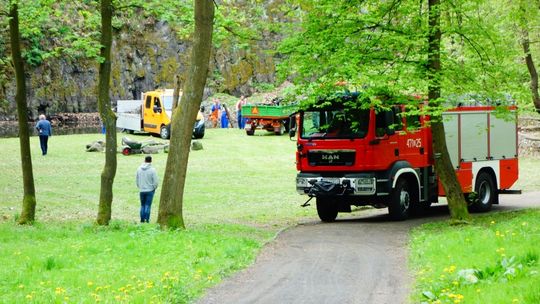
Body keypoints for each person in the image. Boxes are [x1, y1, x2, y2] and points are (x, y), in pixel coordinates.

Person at [136, 156, 159, 223]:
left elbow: (137, 180)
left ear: (144, 160)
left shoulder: (139, 169)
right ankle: (147, 219)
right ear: (151, 161)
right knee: (148, 205)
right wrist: (154, 187)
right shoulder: (152, 170)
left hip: (142, 190)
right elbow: (155, 181)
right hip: (150, 190)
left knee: (142, 205)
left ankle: (142, 220)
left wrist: (140, 187)